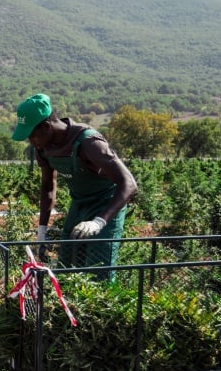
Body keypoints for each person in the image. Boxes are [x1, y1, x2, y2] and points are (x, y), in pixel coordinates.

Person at [11, 93, 138, 272]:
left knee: (98, 268)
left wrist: (99, 222)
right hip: (79, 204)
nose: (31, 142)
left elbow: (129, 184)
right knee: (67, 264)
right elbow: (48, 187)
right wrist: (42, 230)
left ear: (46, 127)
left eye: (32, 136)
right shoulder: (43, 148)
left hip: (106, 204)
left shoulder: (89, 142)